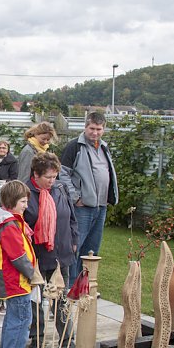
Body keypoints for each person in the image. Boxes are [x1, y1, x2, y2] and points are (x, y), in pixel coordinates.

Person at [24, 152, 78, 348]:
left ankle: (66, 340)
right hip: (37, 255)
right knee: (35, 300)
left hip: (60, 252)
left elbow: (72, 217)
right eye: (48, 177)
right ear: (36, 175)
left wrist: (74, 240)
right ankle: (37, 339)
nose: (52, 181)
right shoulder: (25, 192)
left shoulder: (60, 189)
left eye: (55, 176)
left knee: (61, 299)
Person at [59, 112, 118, 280]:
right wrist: (75, 197)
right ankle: (70, 287)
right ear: (85, 127)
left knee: (92, 250)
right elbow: (63, 175)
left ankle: (85, 287)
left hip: (101, 206)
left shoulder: (104, 147)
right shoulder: (74, 147)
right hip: (82, 207)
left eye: (99, 129)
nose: (95, 133)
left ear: (103, 129)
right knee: (76, 247)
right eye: (92, 128)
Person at [0, 180, 37, 348]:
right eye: (23, 201)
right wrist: (32, 275)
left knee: (13, 320)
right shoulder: (9, 226)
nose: (26, 205)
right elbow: (17, 256)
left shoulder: (11, 221)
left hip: (15, 280)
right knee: (21, 321)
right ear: (12, 201)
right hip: (16, 281)